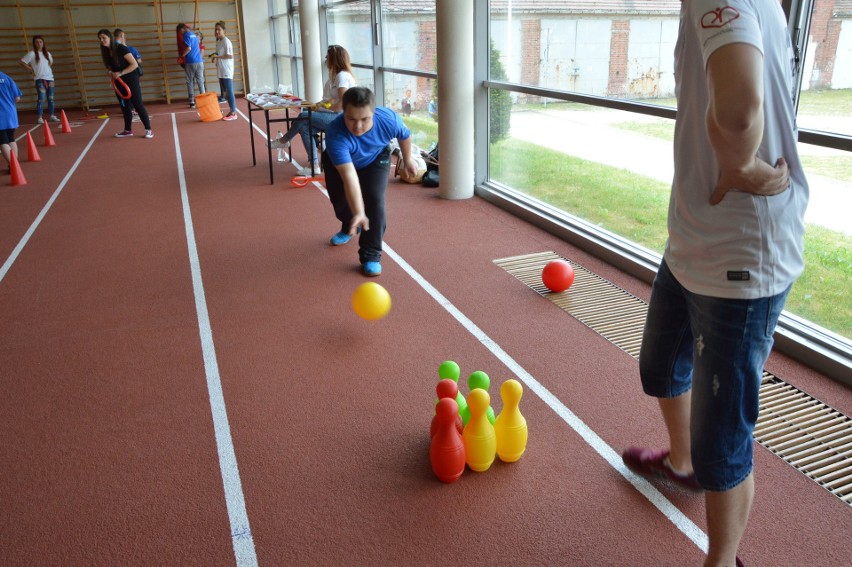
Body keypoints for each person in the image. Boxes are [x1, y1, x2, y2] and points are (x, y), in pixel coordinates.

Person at [621, 2, 808, 567]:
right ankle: (683, 466)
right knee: (660, 367)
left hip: (740, 258)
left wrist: (744, 167)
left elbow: (737, 110)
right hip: (693, 241)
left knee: (723, 444)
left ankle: (722, 561)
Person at [322, 87, 417, 277]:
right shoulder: (335, 133)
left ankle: (371, 254)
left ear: (373, 113)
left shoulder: (388, 119)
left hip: (376, 158)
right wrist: (357, 212)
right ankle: (349, 224)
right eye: (351, 119)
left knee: (374, 200)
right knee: (340, 201)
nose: (358, 126)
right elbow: (350, 177)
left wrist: (408, 159)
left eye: (365, 119)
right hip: (339, 164)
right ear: (343, 113)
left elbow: (404, 135)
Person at [271, 44, 356, 173]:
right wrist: (317, 105)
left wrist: (324, 108)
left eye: (328, 57)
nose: (326, 60)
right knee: (304, 127)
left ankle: (284, 141)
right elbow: (330, 100)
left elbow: (343, 104)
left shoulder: (342, 77)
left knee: (303, 117)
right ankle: (314, 166)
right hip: (334, 115)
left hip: (340, 118)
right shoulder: (335, 76)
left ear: (334, 59)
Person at [98, 29, 152, 139]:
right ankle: (127, 130)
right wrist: (110, 72)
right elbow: (110, 67)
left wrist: (120, 73)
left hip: (131, 78)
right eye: (100, 39)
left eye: (104, 38)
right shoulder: (106, 52)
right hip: (119, 82)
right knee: (125, 106)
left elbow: (134, 64)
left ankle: (148, 129)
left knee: (137, 104)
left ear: (110, 38)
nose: (102, 40)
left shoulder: (120, 48)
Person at [19, 36, 58, 125]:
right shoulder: (32, 54)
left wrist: (46, 69)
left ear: (43, 43)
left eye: (41, 42)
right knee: (41, 98)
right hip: (39, 79)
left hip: (50, 79)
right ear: (34, 44)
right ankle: (40, 117)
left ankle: (52, 115)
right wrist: (31, 69)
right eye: (37, 42)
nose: (39, 43)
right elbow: (22, 61)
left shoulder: (47, 53)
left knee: (51, 98)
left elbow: (50, 62)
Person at [211, 21, 237, 121]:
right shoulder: (218, 41)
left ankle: (233, 112)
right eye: (216, 29)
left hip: (227, 69)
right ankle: (231, 110)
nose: (217, 31)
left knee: (229, 91)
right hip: (220, 69)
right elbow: (218, 53)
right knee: (225, 92)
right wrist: (214, 56)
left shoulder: (226, 41)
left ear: (224, 31)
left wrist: (217, 56)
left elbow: (230, 55)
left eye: (219, 29)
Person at [177, 23, 205, 108]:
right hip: (199, 61)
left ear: (182, 29)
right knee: (200, 81)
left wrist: (182, 55)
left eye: (180, 31)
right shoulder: (194, 35)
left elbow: (188, 48)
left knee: (190, 82)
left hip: (190, 62)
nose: (180, 33)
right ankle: (204, 102)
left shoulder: (186, 35)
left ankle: (192, 102)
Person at [114, 29, 142, 117]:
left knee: (132, 92)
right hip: (123, 76)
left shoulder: (130, 49)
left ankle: (133, 108)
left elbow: (138, 61)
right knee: (125, 92)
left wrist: (131, 60)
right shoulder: (116, 49)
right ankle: (128, 109)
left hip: (131, 74)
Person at [0, 70, 23, 172]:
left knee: (2, 141)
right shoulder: (7, 77)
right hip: (10, 112)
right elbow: (17, 97)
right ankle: (15, 163)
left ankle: (13, 165)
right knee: (11, 139)